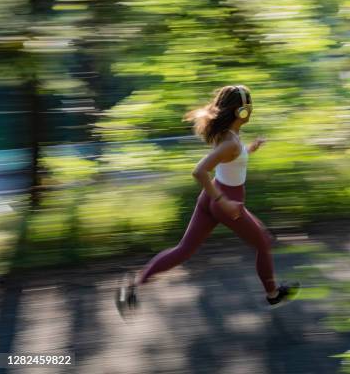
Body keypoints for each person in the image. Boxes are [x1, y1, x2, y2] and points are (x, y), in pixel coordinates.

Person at [116, 85, 299, 317]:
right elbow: (199, 171)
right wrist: (223, 202)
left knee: (184, 249)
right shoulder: (230, 142)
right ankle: (273, 294)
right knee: (263, 242)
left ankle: (134, 286)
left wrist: (249, 150)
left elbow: (231, 157)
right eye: (249, 106)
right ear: (241, 111)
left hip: (211, 197)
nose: (252, 110)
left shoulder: (229, 135)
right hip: (226, 201)